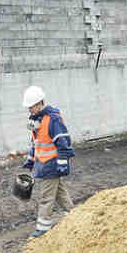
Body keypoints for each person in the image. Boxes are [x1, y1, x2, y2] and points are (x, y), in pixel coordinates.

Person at [20, 86, 74, 238]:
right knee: (59, 193)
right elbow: (36, 143)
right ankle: (74, 215)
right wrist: (30, 160)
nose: (29, 110)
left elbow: (63, 141)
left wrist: (62, 163)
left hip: (51, 165)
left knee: (46, 198)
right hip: (43, 164)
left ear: (39, 104)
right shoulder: (37, 120)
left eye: (31, 107)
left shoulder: (53, 119)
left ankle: (43, 227)